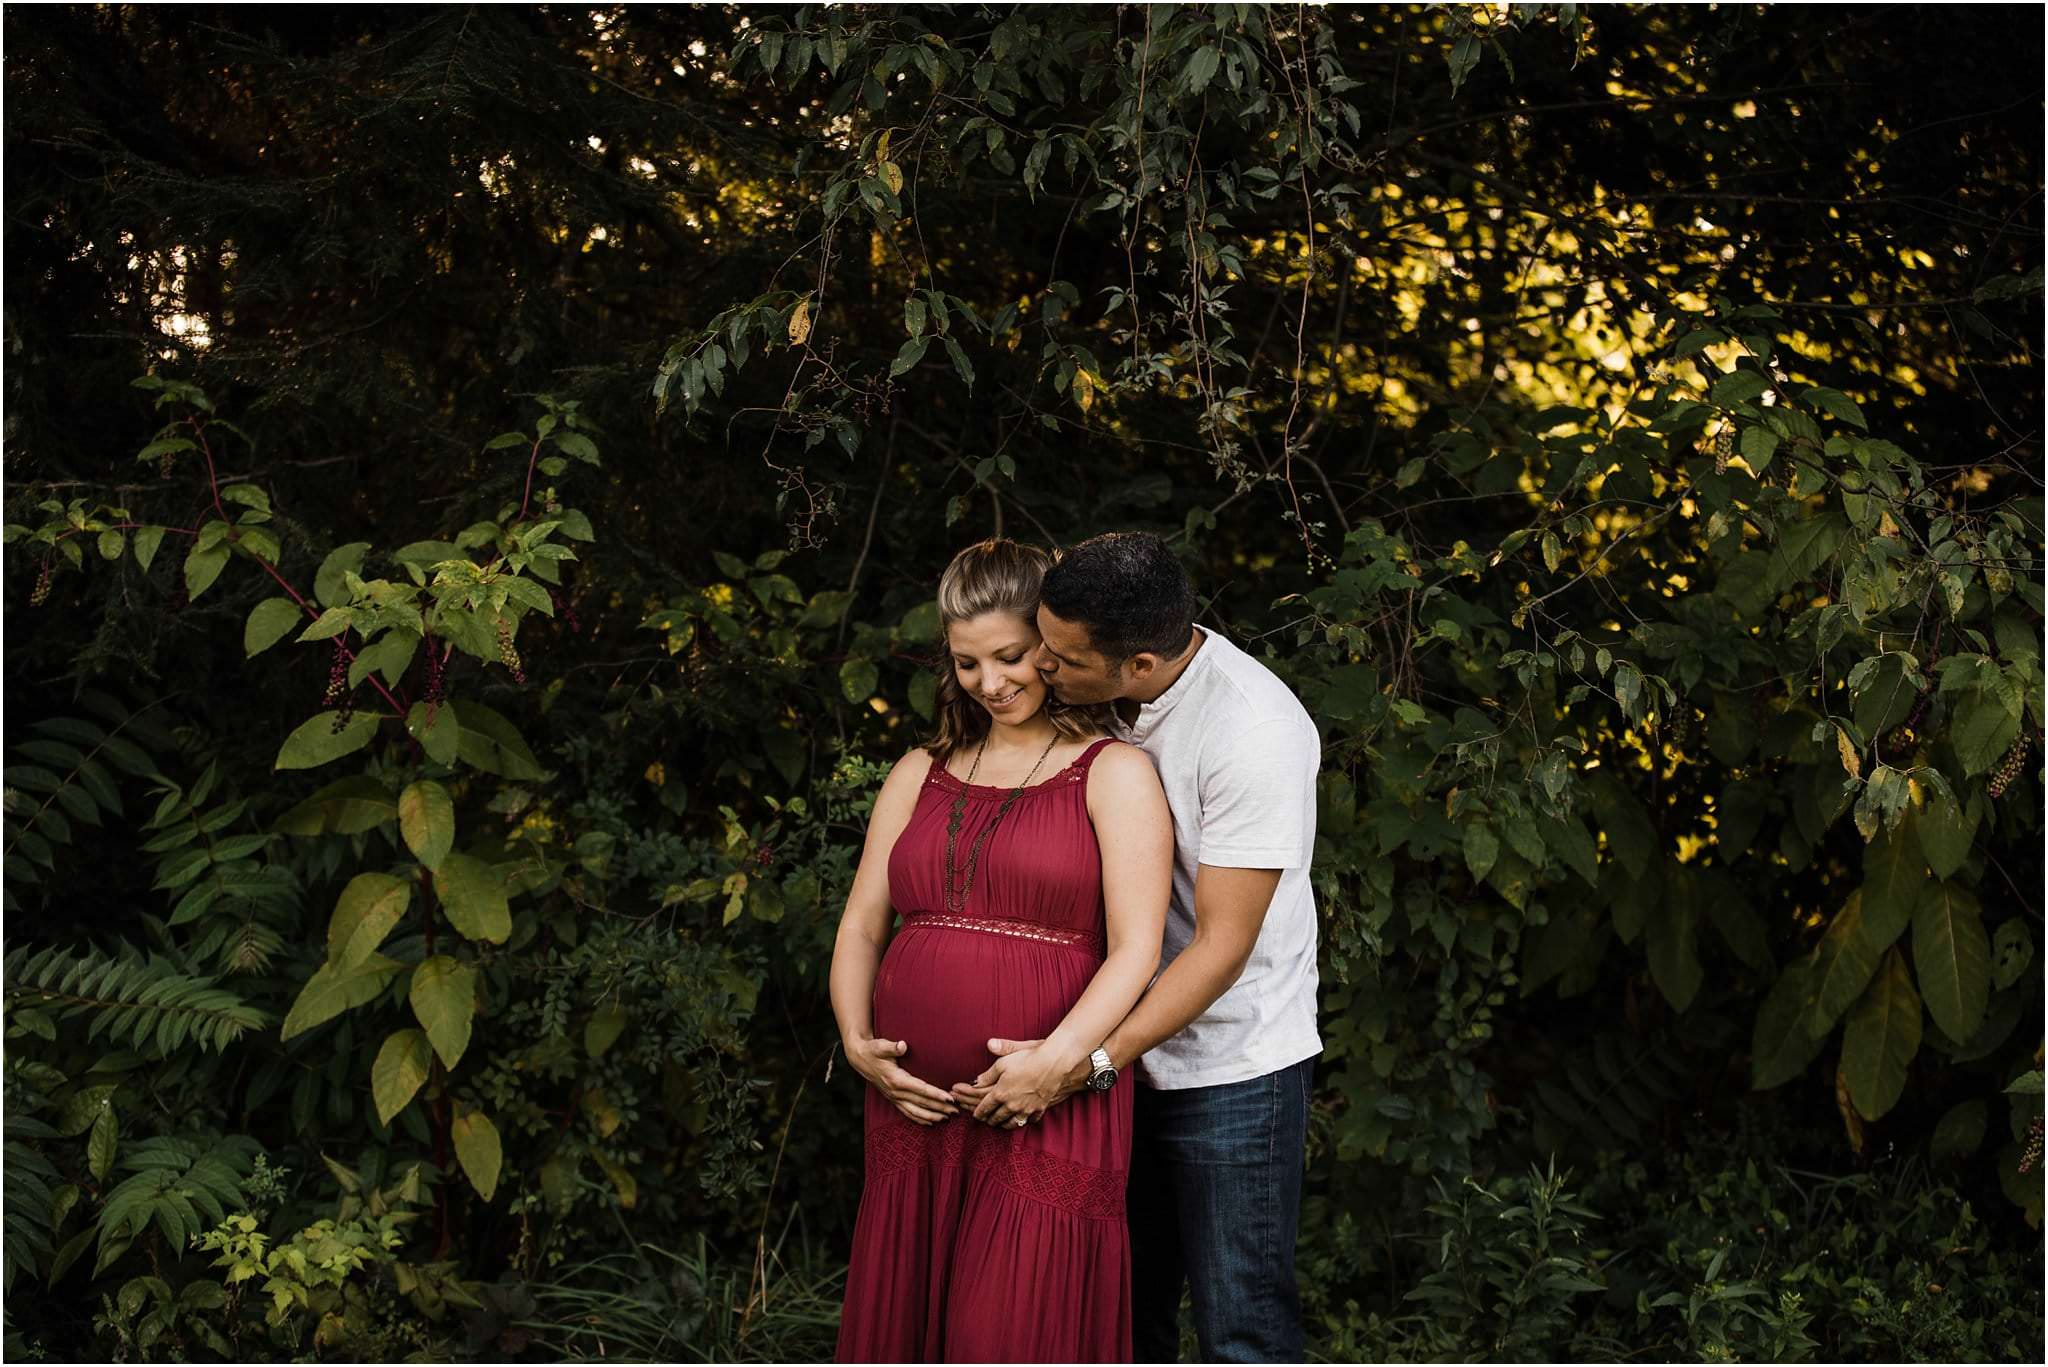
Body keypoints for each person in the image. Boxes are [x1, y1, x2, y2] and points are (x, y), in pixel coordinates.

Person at [955, 531, 1323, 1363]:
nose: (1041, 667)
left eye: (1061, 658)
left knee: (1240, 1322)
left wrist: (1080, 1061)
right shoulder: (1099, 687)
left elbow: (1221, 947)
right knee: (1123, 1310)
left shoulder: (1253, 731)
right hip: (1113, 1058)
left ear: (1143, 667)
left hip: (1229, 1069)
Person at [830, 537, 1174, 1364]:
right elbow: (860, 926)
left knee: (1006, 1335)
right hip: (915, 1110)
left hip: (1048, 1099)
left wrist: (1056, 1063)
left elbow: (1136, 948)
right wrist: (855, 1043)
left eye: (1013, 656)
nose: (993, 682)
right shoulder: (920, 770)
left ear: (1050, 645)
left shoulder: (1113, 771)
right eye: (969, 662)